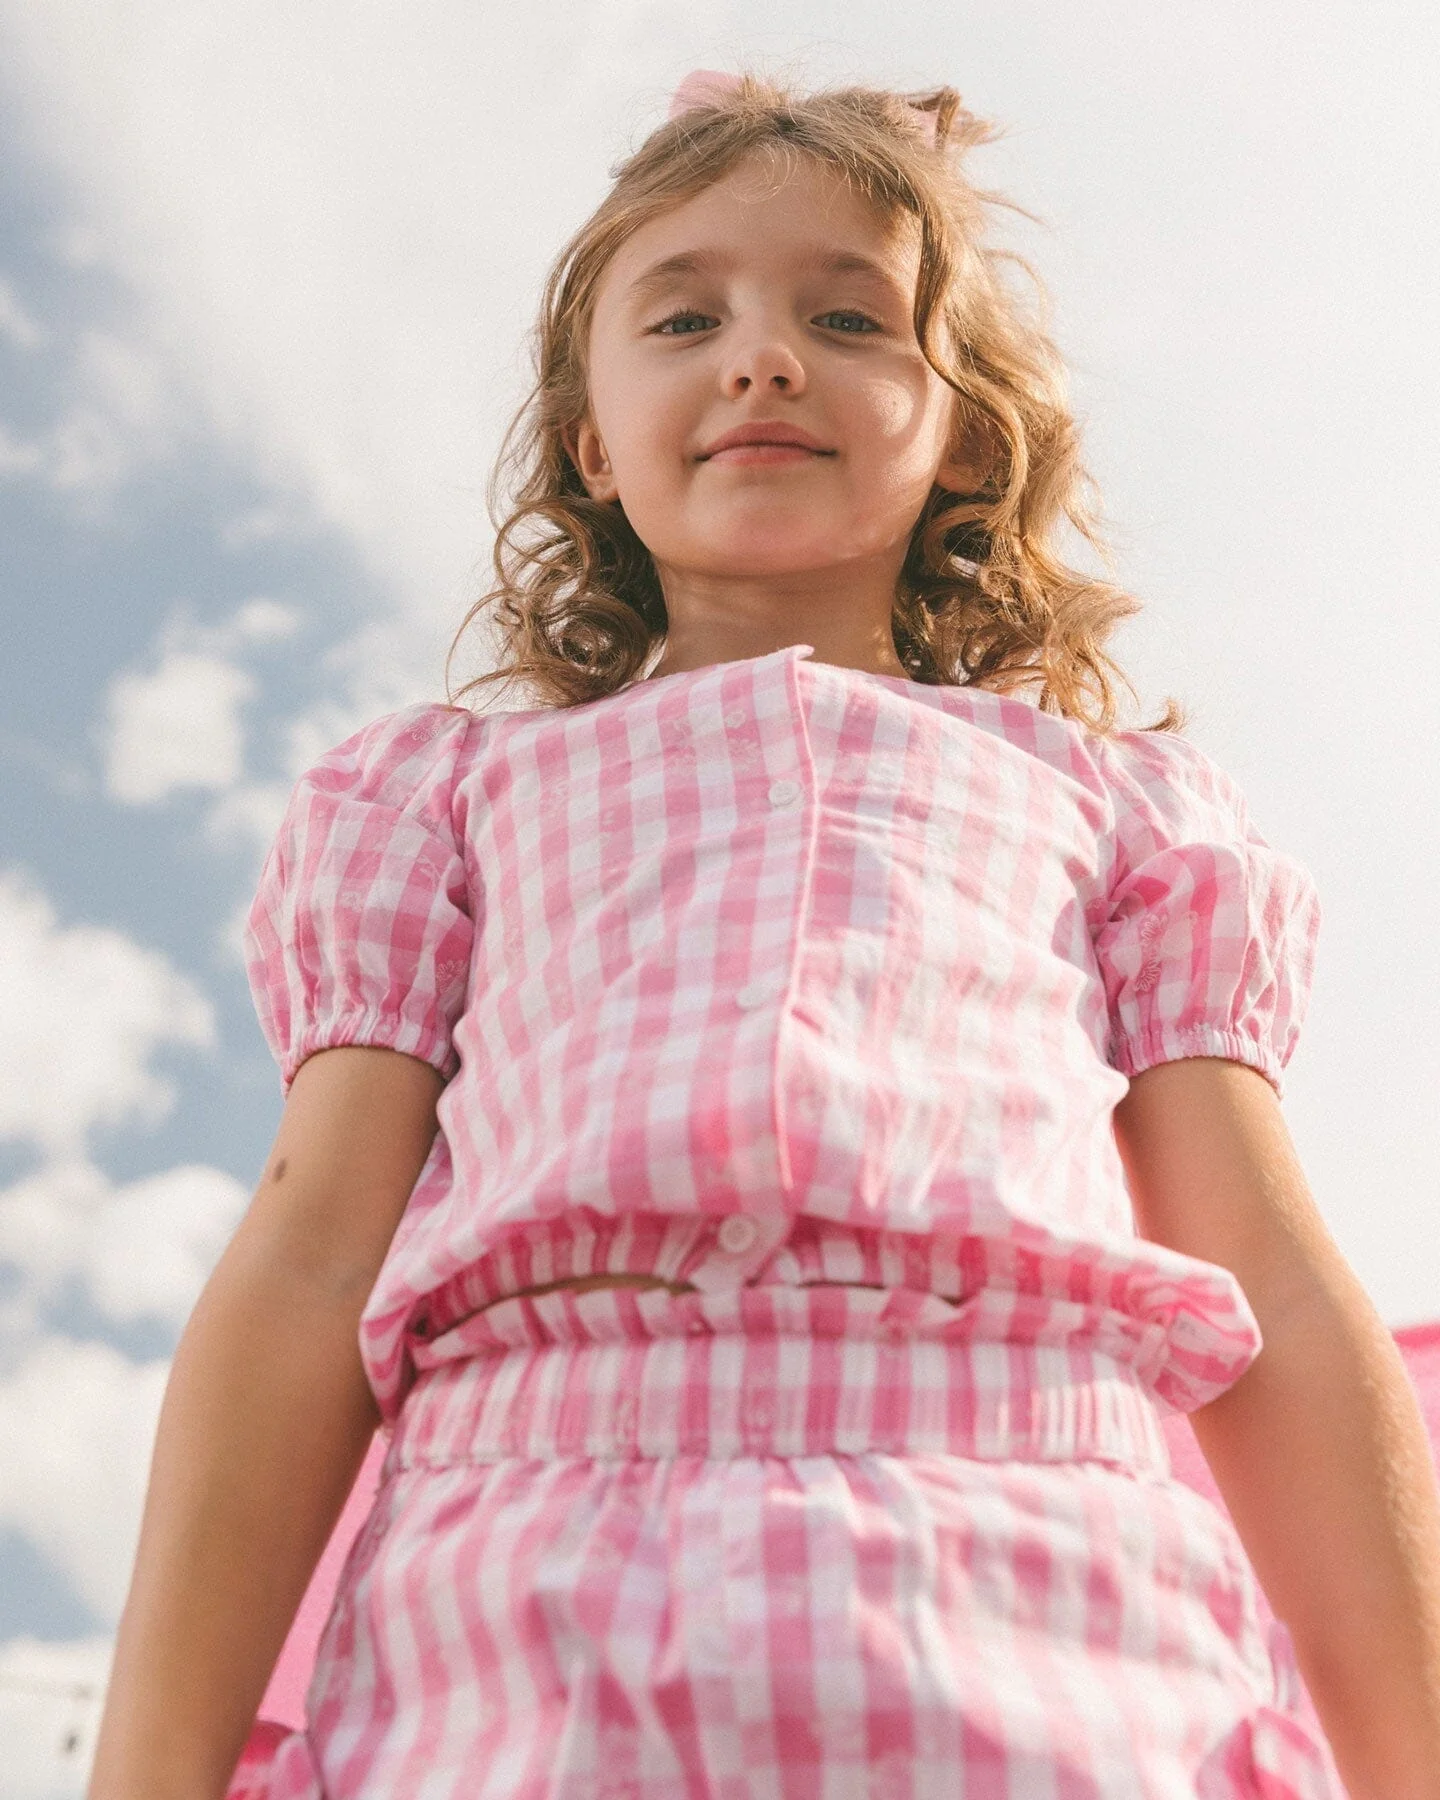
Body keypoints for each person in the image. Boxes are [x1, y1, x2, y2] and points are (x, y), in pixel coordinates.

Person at [86, 67, 1440, 1800]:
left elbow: (1277, 1292)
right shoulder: (437, 803)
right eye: (683, 313)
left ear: (958, 425)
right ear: (591, 437)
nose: (762, 355)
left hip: (1050, 1608)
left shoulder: (1125, 813)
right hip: (521, 1616)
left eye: (847, 312)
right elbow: (303, 1273)